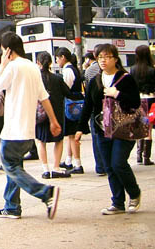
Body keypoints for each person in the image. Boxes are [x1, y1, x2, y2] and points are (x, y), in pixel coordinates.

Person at [0, 31, 61, 219]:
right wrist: (54, 121)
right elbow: (44, 97)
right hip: (29, 132)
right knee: (15, 167)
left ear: (7, 51)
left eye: (2, 50)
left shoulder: (12, 67)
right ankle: (12, 206)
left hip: (13, 130)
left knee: (10, 167)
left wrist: (2, 66)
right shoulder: (32, 66)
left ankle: (45, 193)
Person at [76, 44, 142, 214]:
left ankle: (134, 194)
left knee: (118, 163)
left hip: (124, 128)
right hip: (101, 129)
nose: (103, 61)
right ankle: (118, 202)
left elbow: (135, 102)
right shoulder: (94, 81)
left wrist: (117, 94)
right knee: (109, 167)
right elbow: (88, 106)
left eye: (107, 57)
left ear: (115, 58)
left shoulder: (126, 78)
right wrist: (80, 128)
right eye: (100, 58)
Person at [35, 52, 71, 179]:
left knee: (41, 141)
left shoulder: (35, 79)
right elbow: (68, 93)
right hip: (56, 115)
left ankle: (45, 169)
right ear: (50, 63)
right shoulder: (57, 78)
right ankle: (56, 167)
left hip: (40, 116)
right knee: (58, 140)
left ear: (38, 62)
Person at [55, 47, 87, 174]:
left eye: (57, 58)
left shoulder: (68, 71)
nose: (57, 61)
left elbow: (65, 89)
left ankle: (78, 164)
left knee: (72, 135)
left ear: (63, 57)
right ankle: (69, 161)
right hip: (75, 104)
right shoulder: (73, 69)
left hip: (71, 105)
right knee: (70, 134)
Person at [129, 45, 155, 165]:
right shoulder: (152, 70)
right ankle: (146, 157)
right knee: (148, 127)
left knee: (139, 126)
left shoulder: (133, 69)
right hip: (150, 99)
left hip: (137, 100)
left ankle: (138, 155)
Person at [83, 46, 106, 175]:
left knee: (96, 138)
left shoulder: (89, 71)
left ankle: (100, 167)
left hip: (94, 110)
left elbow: (87, 91)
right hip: (108, 108)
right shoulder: (112, 70)